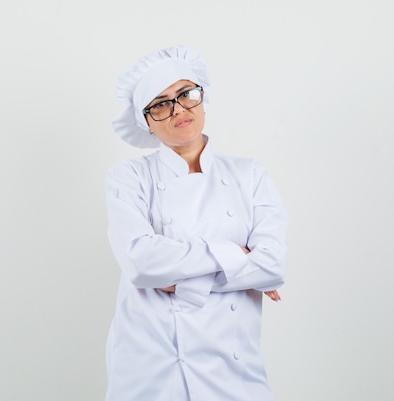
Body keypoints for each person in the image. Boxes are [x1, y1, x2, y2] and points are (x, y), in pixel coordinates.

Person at [105, 45, 288, 401]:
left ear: (201, 97)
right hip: (154, 365)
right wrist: (237, 257)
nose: (178, 109)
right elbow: (142, 263)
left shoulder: (249, 174)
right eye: (160, 103)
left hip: (234, 369)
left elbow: (272, 265)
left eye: (185, 94)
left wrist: (179, 280)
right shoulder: (128, 177)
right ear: (146, 122)